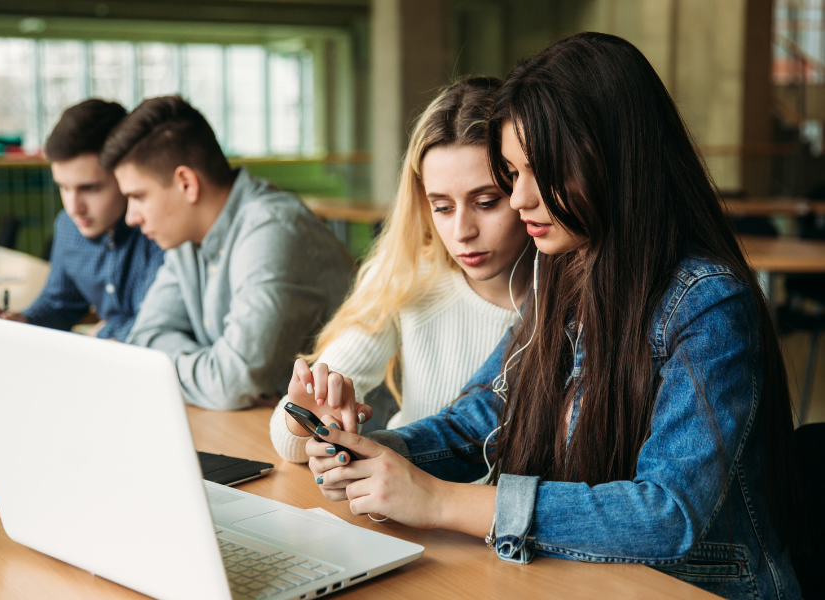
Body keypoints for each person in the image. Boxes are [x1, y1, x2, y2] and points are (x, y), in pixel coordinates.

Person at [303, 33, 802, 600]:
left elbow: (667, 514)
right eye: (512, 174)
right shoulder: (565, 273)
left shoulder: (708, 304)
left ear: (617, 161)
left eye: (542, 172)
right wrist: (381, 454)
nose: (519, 200)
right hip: (589, 579)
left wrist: (440, 500)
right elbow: (484, 416)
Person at [270, 77, 532, 462]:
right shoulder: (408, 276)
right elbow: (288, 437)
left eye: (487, 201)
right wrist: (308, 419)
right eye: (442, 207)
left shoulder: (572, 299)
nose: (462, 232)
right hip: (402, 501)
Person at [99, 96, 355, 411]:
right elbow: (145, 336)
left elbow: (231, 384)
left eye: (138, 196)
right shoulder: (184, 239)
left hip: (363, 439)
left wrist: (173, 368)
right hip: (272, 429)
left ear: (186, 183)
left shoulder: (271, 229)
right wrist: (210, 369)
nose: (131, 217)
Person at [0, 99, 164, 340]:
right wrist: (23, 321)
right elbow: (59, 304)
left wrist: (106, 332)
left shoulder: (161, 229)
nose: (73, 207)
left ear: (125, 175)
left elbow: (161, 322)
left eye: (90, 188)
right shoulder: (69, 226)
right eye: (64, 188)